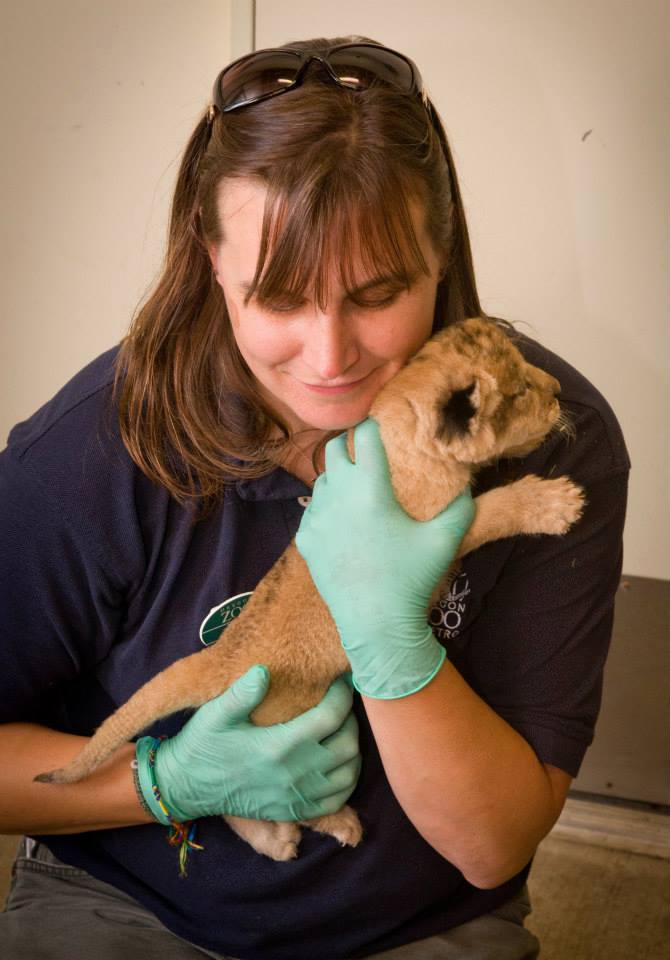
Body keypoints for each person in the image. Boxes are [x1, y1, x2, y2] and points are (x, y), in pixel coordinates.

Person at [0, 35, 629, 960]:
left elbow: (493, 846)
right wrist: (163, 783)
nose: (330, 359)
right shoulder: (99, 446)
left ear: (440, 259)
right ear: (210, 257)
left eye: (377, 292)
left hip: (417, 923)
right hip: (128, 899)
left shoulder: (539, 430)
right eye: (279, 297)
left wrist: (389, 637)